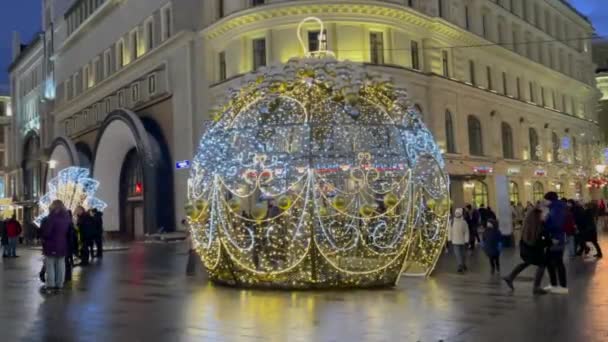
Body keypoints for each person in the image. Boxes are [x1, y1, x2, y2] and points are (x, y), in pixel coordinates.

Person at [503, 208, 548, 295]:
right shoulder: (538, 226)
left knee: (527, 262)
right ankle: (536, 287)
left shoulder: (527, 224)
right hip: (534, 251)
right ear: (536, 216)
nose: (543, 216)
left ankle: (510, 277)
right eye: (541, 215)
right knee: (542, 265)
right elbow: (540, 241)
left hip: (526, 250)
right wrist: (549, 242)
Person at [40, 200, 71, 293]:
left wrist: (42, 237)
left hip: (51, 245)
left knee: (50, 265)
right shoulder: (67, 218)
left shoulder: (51, 218)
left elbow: (46, 233)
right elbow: (69, 232)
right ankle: (59, 284)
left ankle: (51, 285)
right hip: (63, 244)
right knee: (61, 265)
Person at [543, 192, 568, 294]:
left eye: (545, 200)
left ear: (550, 200)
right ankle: (554, 284)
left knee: (558, 262)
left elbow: (557, 224)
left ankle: (562, 286)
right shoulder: (556, 208)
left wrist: (545, 223)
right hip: (555, 238)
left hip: (556, 239)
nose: (544, 201)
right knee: (550, 262)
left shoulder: (556, 209)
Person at [448, 208, 469, 273]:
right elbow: (449, 231)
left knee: (463, 254)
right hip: (455, 241)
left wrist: (466, 240)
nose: (457, 214)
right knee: (457, 254)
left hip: (463, 241)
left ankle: (463, 264)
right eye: (456, 213)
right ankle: (460, 265)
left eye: (458, 213)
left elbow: (466, 232)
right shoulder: (452, 222)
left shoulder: (464, 222)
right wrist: (449, 239)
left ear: (461, 214)